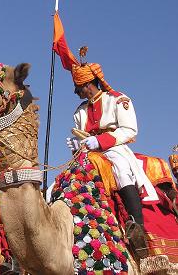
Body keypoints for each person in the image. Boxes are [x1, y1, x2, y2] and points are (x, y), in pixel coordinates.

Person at [66, 62, 158, 258]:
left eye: (77, 87)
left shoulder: (117, 100)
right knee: (69, 178)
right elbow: (83, 135)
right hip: (89, 151)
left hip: (114, 147)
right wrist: (77, 143)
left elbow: (130, 130)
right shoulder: (79, 111)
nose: (75, 92)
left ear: (87, 84)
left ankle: (137, 228)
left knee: (121, 170)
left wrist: (100, 140)